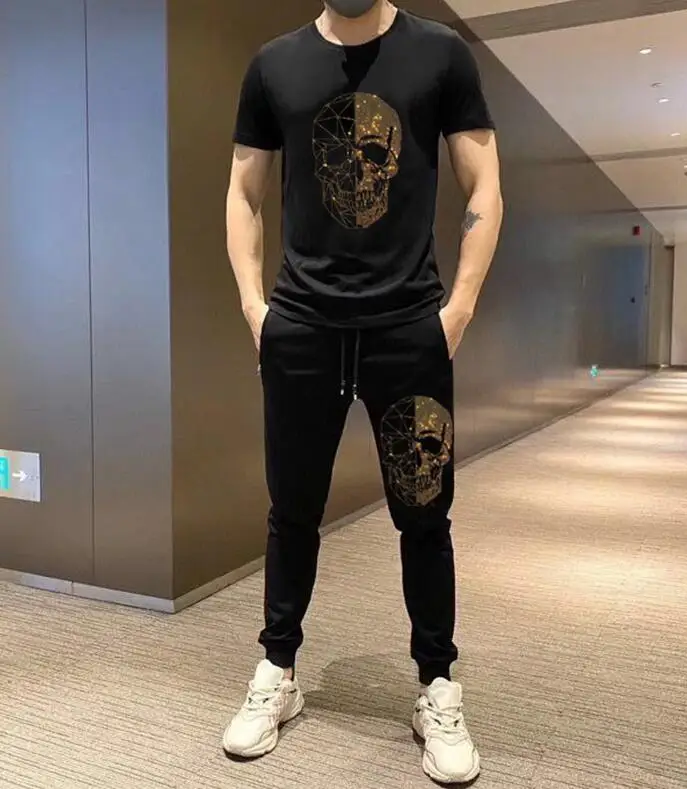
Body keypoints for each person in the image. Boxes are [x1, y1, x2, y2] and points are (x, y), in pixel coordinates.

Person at [223, 0, 502, 783]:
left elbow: (484, 185)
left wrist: (456, 313)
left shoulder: (441, 55)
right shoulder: (274, 66)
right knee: (292, 511)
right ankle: (278, 671)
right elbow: (243, 192)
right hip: (302, 331)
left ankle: (437, 684)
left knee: (425, 514)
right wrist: (255, 310)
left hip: (407, 332)